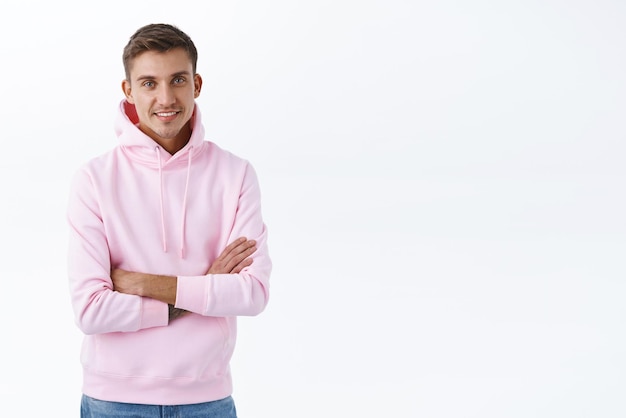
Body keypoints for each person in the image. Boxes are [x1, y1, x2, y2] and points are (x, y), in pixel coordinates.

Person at [66, 23, 272, 417]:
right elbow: (91, 310)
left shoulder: (235, 174)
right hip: (114, 401)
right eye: (148, 83)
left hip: (206, 400)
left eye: (177, 80)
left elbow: (253, 293)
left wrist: (145, 284)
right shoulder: (94, 179)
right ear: (128, 91)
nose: (166, 97)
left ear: (196, 83)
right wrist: (202, 291)